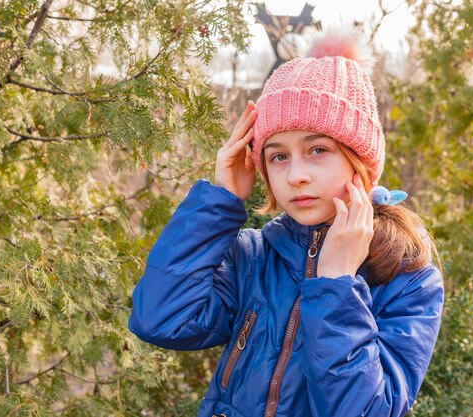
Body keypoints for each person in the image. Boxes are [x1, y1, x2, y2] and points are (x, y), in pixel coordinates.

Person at [128, 27, 444, 417]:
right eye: (278, 156)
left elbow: (365, 410)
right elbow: (160, 319)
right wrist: (220, 202)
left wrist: (336, 284)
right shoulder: (253, 257)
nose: (296, 175)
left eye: (317, 150)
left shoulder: (408, 278)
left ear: (360, 162)